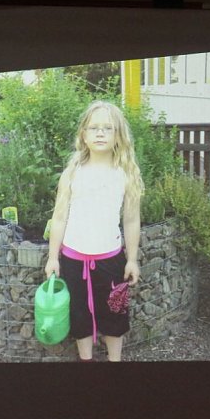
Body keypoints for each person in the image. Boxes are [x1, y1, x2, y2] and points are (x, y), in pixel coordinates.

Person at [44, 101, 143, 362]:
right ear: (84, 136)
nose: (100, 133)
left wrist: (132, 259)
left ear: (118, 135)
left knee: (115, 313)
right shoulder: (72, 173)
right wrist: (53, 257)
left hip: (111, 259)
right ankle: (86, 361)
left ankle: (114, 361)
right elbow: (59, 217)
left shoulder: (126, 175)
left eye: (108, 128)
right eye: (94, 128)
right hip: (74, 260)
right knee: (79, 314)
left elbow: (131, 220)